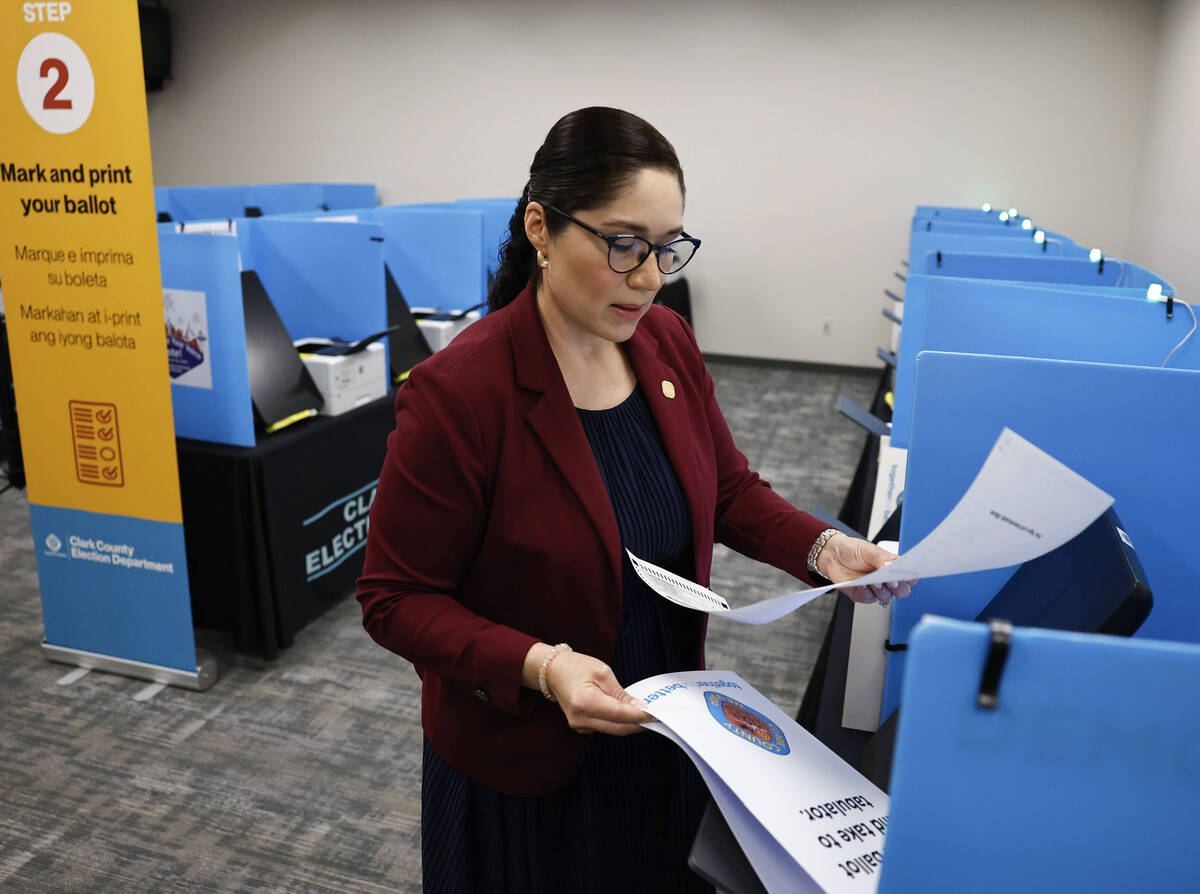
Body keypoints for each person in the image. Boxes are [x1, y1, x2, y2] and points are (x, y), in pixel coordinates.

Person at [356, 106, 912, 894]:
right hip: (531, 762)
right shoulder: (461, 394)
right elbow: (395, 598)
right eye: (624, 245)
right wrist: (543, 668)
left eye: (666, 249)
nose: (651, 277)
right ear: (542, 229)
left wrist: (824, 548)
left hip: (668, 730)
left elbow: (725, 487)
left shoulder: (665, 345)